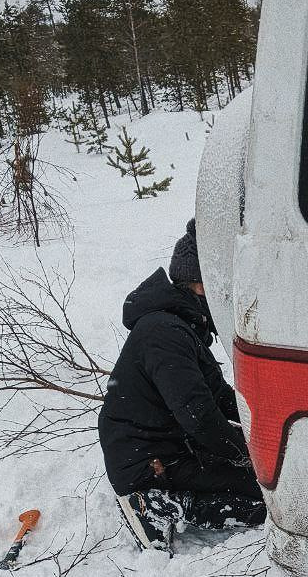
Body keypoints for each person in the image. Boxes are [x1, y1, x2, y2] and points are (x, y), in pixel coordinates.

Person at [99, 218, 266, 549]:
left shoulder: (180, 328)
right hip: (149, 463)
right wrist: (249, 454)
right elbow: (199, 415)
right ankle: (157, 505)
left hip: (169, 448)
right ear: (202, 286)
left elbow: (216, 396)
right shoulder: (164, 333)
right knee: (262, 490)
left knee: (262, 486)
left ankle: (175, 498)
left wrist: (261, 419)